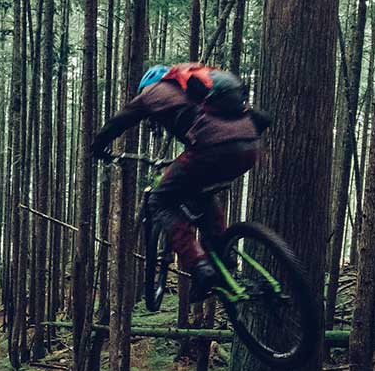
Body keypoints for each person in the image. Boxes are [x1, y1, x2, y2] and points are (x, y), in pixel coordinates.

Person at [91, 62, 269, 302]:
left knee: (161, 200)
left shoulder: (152, 92)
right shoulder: (200, 93)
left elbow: (120, 120)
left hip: (211, 149)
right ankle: (222, 260)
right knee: (201, 194)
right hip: (249, 148)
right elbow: (262, 118)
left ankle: (199, 267)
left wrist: (99, 146)